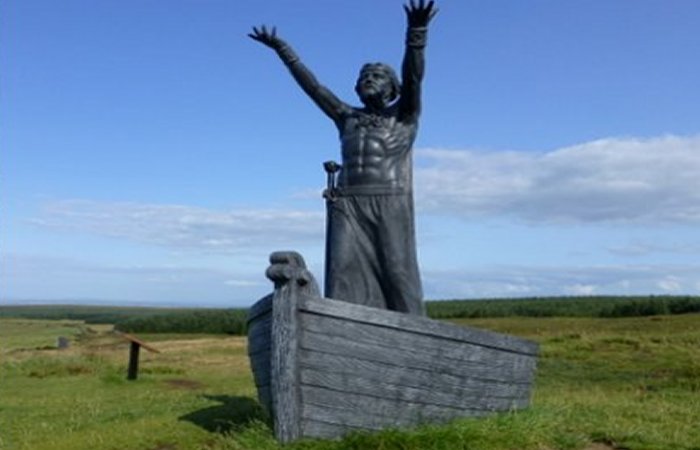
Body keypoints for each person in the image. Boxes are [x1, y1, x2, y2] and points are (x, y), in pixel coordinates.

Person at [250, 0, 437, 315]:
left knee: (397, 268)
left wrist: (416, 33)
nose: (369, 79)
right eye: (365, 75)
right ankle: (344, 323)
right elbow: (314, 88)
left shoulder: (404, 116)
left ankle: (415, 331)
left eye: (377, 76)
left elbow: (414, 77)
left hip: (388, 199)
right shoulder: (345, 117)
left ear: (393, 89)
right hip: (347, 201)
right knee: (341, 268)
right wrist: (284, 51)